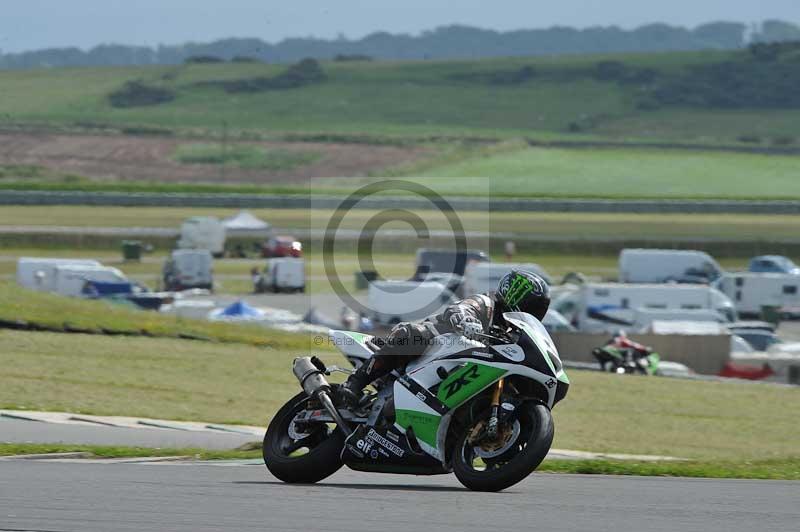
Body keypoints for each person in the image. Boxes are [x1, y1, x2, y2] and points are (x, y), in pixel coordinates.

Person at [337, 270, 550, 406]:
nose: (534, 312)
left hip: (465, 370)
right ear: (515, 294)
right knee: (415, 335)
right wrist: (466, 320)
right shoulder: (487, 304)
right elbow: (461, 308)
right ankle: (355, 383)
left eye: (538, 309)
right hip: (436, 347)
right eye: (532, 306)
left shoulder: (512, 332)